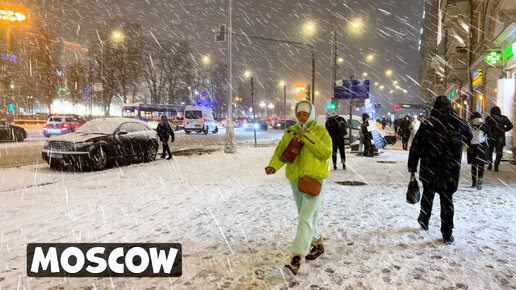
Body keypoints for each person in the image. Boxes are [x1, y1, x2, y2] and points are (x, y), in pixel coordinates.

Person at [265, 101, 332, 275]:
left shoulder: (320, 131)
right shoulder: (291, 131)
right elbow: (282, 152)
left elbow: (326, 152)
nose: (302, 117)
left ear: (311, 115)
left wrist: (307, 136)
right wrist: (273, 166)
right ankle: (317, 242)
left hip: (313, 180)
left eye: (305, 114)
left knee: (305, 218)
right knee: (305, 216)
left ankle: (296, 258)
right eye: (299, 114)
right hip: (296, 180)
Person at [408, 96, 472, 244]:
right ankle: (447, 233)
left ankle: (424, 220)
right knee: (447, 200)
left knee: (427, 195)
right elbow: (469, 137)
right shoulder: (459, 122)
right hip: (450, 169)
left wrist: (412, 166)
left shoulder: (428, 124)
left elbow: (416, 146)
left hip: (430, 166)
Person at [485, 106, 513, 172]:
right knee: (499, 153)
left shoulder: (489, 118)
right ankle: (496, 166)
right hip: (500, 138)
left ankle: (490, 165)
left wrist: (488, 133)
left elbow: (485, 127)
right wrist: (503, 130)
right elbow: (510, 126)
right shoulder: (504, 118)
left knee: (489, 152)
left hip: (491, 137)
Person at [467, 112, 490, 190]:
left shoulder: (470, 125)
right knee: (481, 165)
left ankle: (473, 182)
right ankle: (480, 178)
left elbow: (467, 136)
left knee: (474, 165)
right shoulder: (485, 125)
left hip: (472, 147)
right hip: (482, 147)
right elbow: (490, 136)